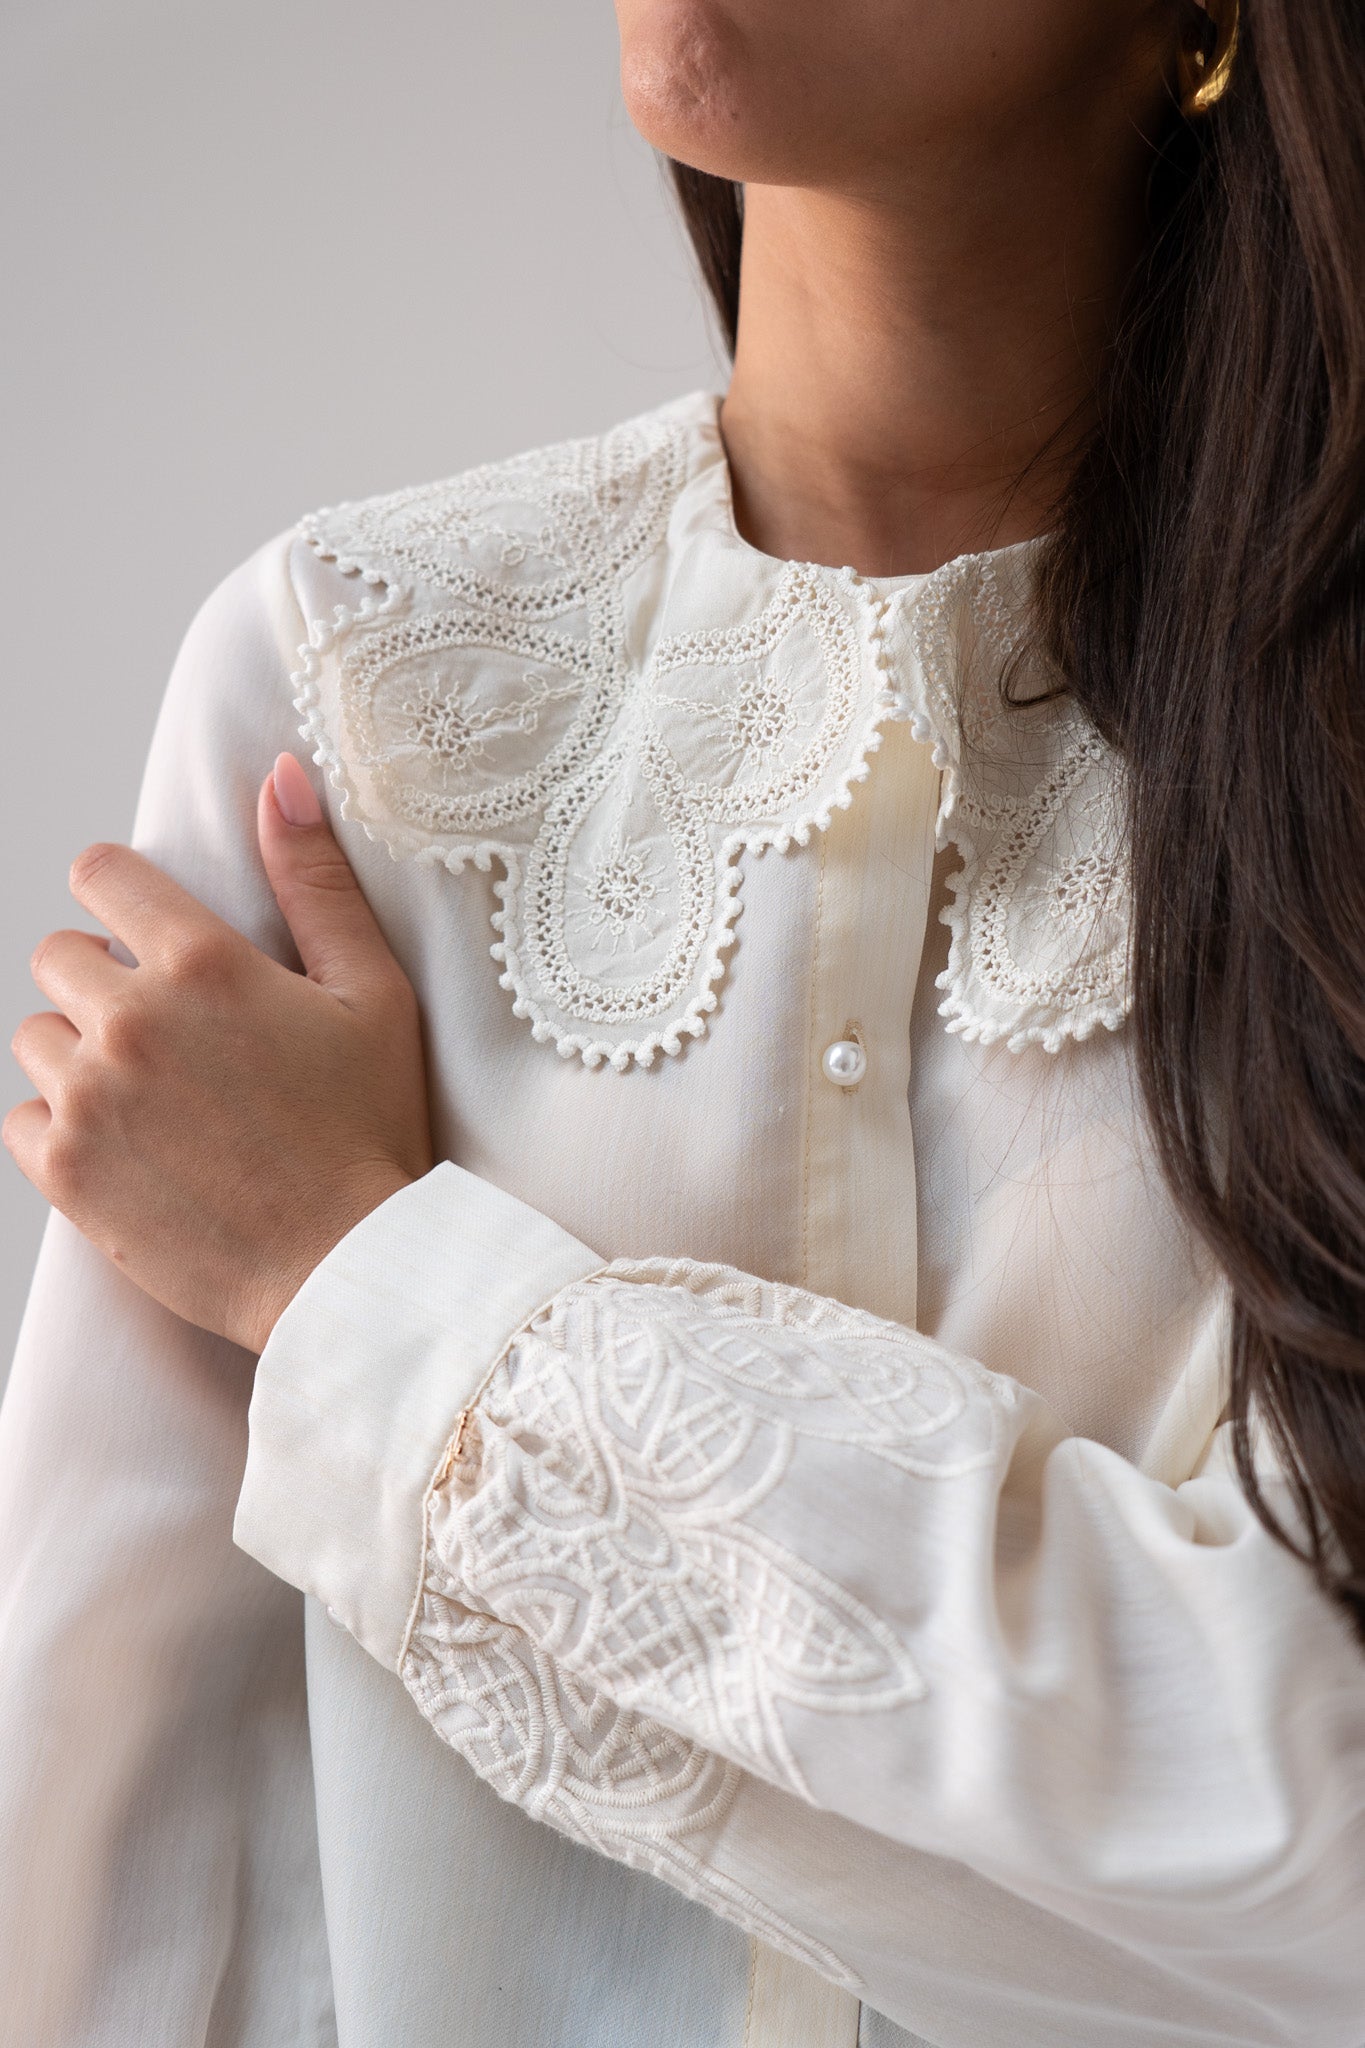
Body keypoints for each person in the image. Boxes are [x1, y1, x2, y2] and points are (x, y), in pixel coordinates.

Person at [3, 1, 1363, 2043]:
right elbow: (118, 1806)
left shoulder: (1326, 784)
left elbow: (1312, 1841)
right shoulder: (346, 683)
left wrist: (372, 1292)